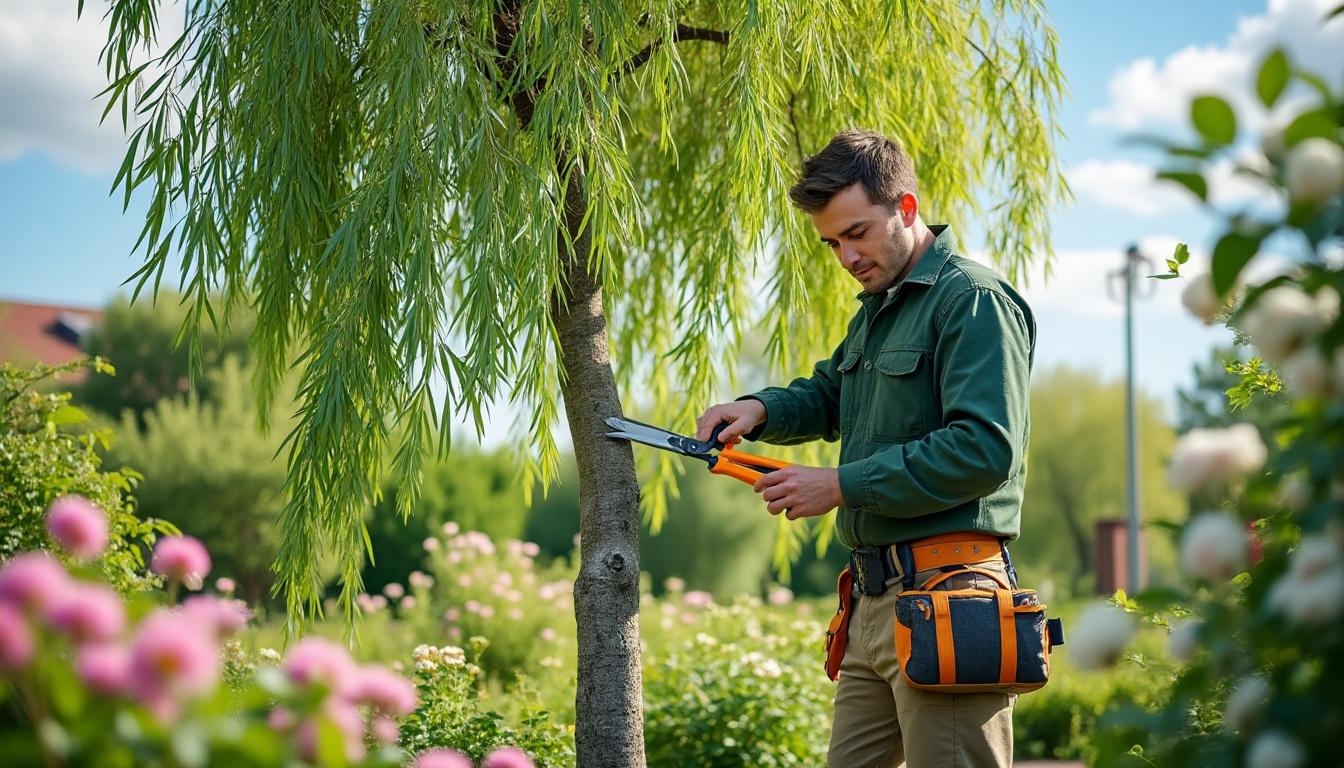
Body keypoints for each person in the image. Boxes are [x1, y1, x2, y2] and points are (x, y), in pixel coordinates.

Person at [695, 129, 1035, 767]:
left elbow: (984, 450)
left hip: (950, 595)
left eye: (857, 233)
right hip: (871, 604)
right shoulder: (879, 308)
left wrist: (839, 485)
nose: (846, 257)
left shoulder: (973, 301)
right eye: (832, 243)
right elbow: (831, 393)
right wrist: (759, 409)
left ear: (906, 208)